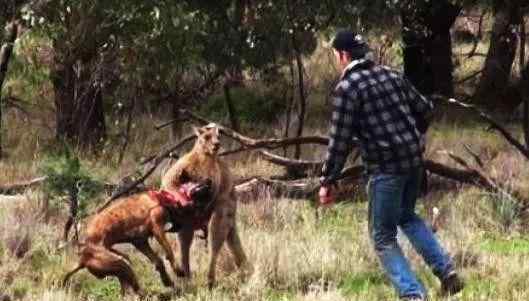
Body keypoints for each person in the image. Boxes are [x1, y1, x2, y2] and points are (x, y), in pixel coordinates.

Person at [318, 29, 464, 301]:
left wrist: (327, 181)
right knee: (406, 216)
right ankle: (447, 272)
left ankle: (412, 294)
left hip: (386, 169)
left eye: (335, 55)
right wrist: (410, 136)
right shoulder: (391, 75)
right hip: (413, 162)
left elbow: (338, 141)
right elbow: (426, 109)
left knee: (382, 237)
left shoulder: (348, 88)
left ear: (343, 55)